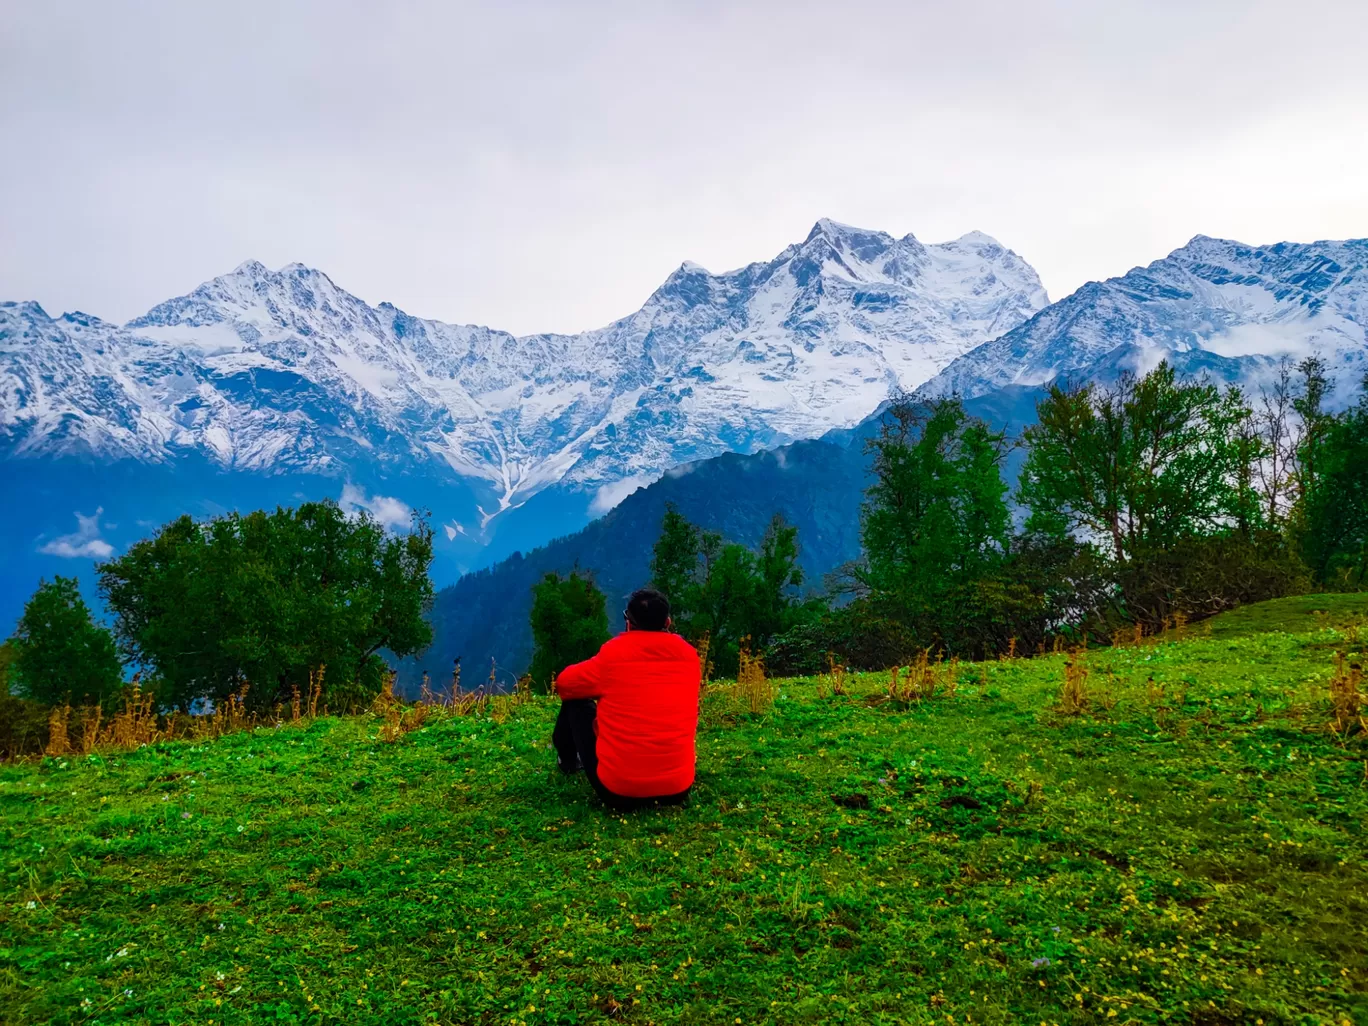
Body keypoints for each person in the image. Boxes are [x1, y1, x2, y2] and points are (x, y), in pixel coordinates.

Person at [552, 588, 700, 811]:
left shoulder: (613, 655)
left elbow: (564, 684)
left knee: (576, 700)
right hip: (678, 789)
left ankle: (568, 763)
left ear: (628, 623)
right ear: (667, 622)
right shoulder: (689, 656)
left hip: (619, 792)